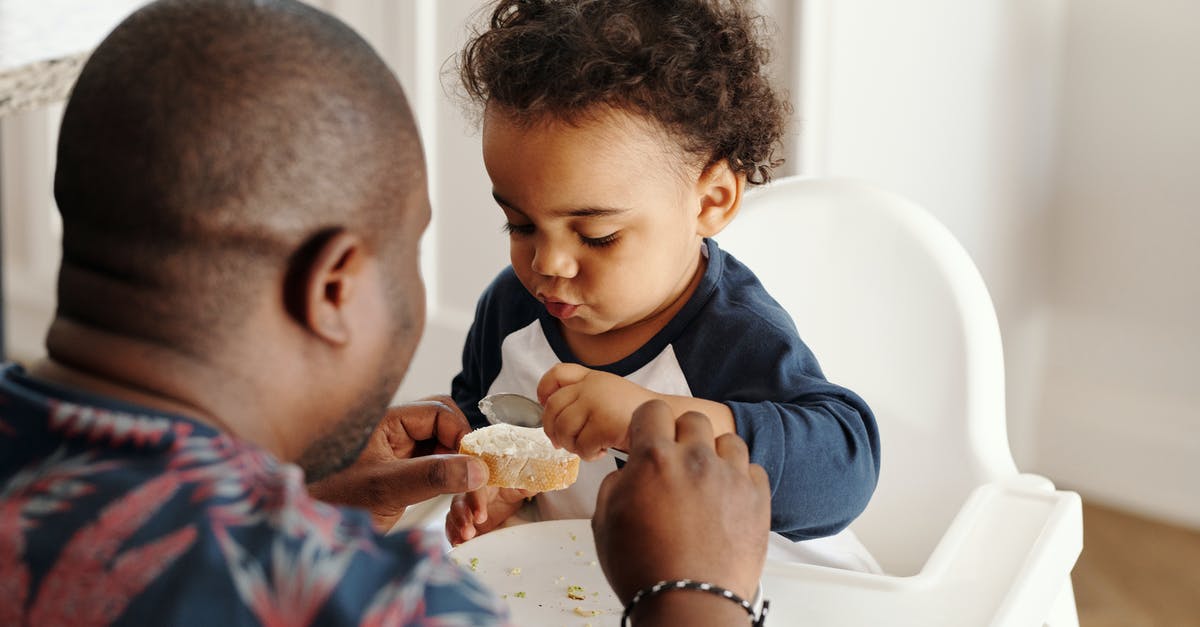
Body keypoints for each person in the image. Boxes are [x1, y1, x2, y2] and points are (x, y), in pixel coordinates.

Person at [0, 0, 770, 625]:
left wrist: (304, 508)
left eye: (594, 233)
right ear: (334, 286)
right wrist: (696, 599)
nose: (543, 265)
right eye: (413, 247)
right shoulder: (383, 605)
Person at [445, 0, 882, 570]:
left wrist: (653, 418)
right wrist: (494, 485)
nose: (548, 264)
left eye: (598, 235)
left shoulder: (734, 334)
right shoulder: (511, 309)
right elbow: (484, 416)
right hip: (582, 588)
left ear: (710, 199)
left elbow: (844, 471)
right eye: (521, 224)